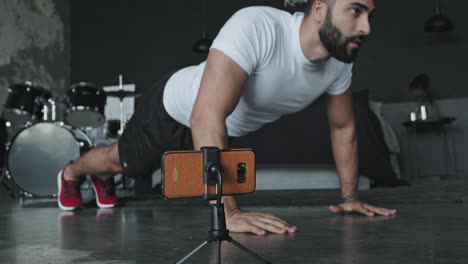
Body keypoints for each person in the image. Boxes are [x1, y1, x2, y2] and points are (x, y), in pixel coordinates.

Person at [58, 0, 397, 235]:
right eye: (355, 11)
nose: (366, 27)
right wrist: (229, 213)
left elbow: (343, 126)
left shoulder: (338, 64)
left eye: (370, 15)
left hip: (217, 129)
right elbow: (206, 112)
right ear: (320, 10)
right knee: (122, 162)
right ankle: (72, 173)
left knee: (140, 169)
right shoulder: (259, 27)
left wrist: (350, 197)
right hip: (174, 110)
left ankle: (99, 180)